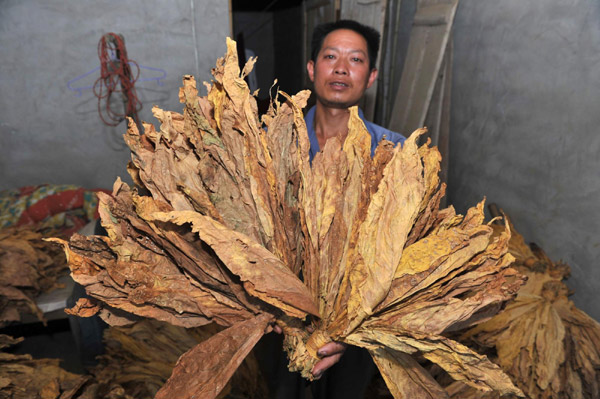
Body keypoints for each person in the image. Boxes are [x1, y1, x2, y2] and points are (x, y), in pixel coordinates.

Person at [257, 20, 406, 399]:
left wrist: (349, 330)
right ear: (311, 68)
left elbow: (405, 252)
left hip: (358, 325)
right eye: (330, 57)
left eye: (355, 60)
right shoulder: (272, 146)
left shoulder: (395, 153)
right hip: (276, 323)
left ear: (370, 76)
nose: (341, 68)